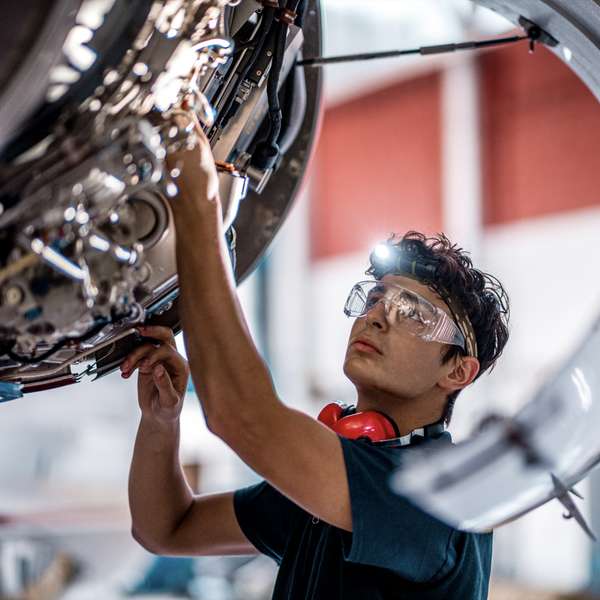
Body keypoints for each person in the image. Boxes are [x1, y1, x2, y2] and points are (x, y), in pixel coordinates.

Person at [124, 118, 510, 599]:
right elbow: (167, 528)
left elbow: (243, 416)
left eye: (412, 313)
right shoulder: (343, 480)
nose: (376, 318)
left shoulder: (436, 496)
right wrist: (163, 421)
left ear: (457, 370)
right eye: (374, 299)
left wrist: (200, 201)